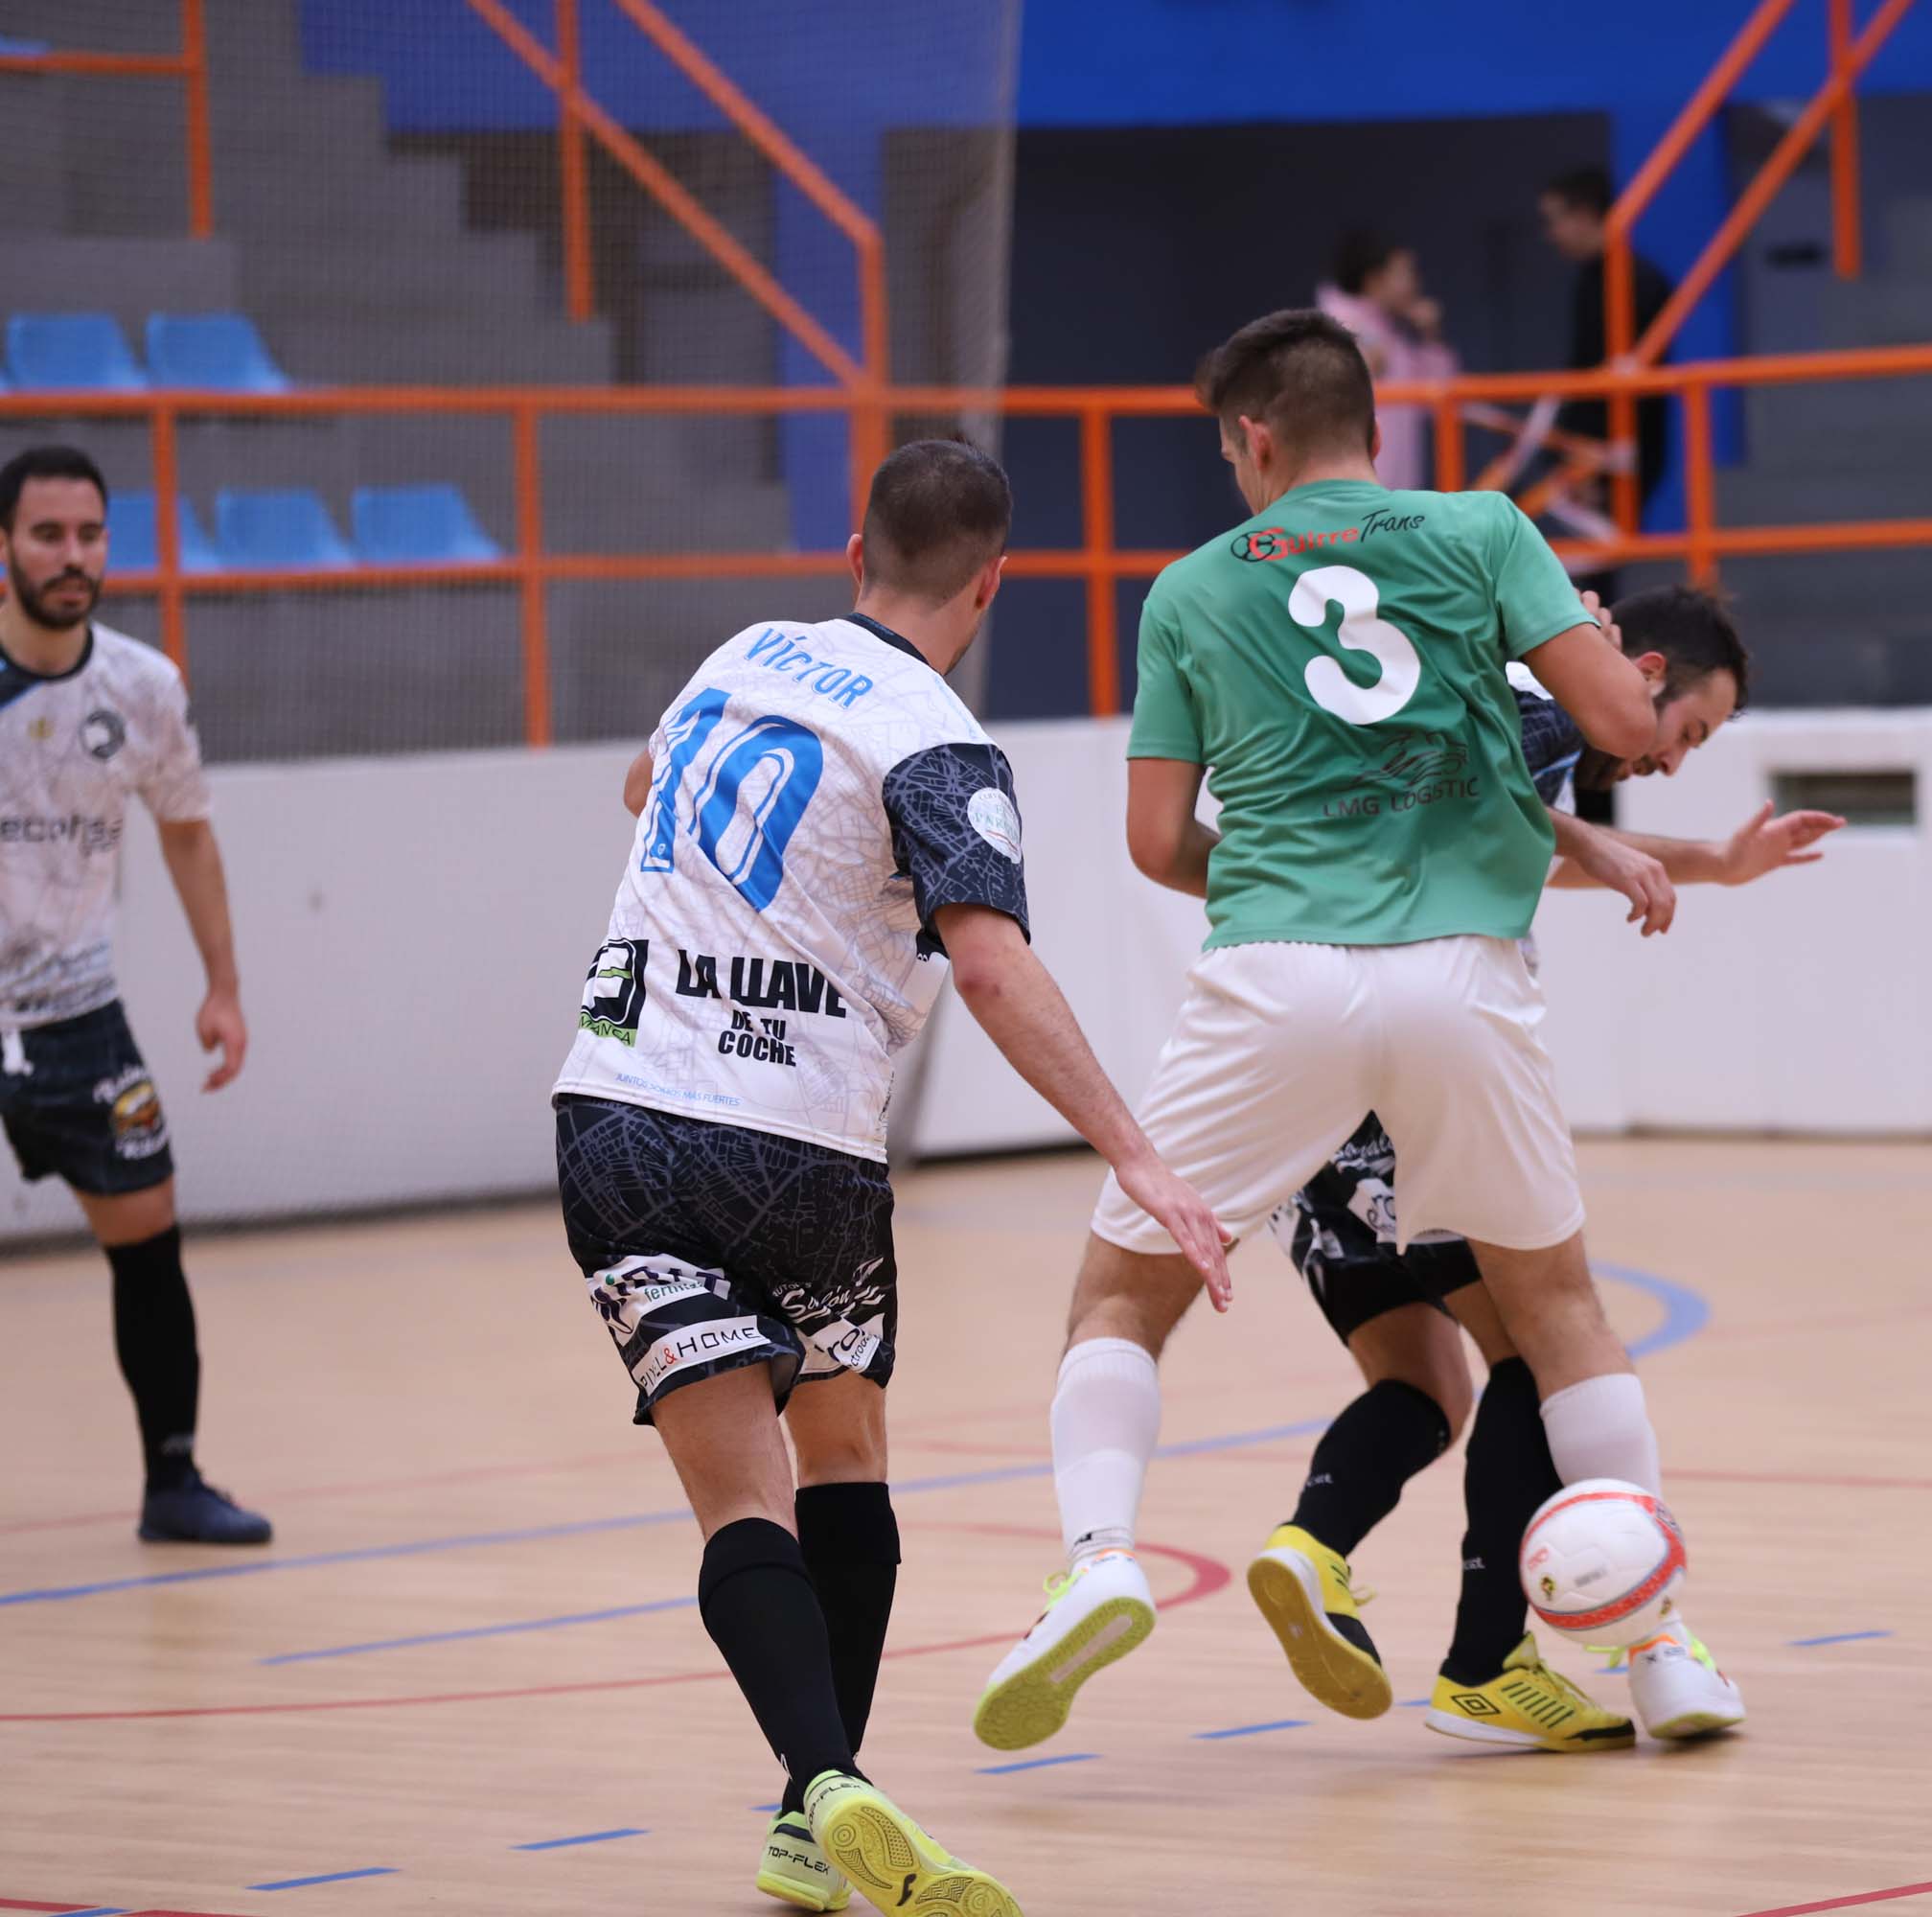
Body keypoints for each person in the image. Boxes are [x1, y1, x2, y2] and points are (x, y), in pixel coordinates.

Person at [971, 309, 1745, 1755]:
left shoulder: (1192, 589)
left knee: (1117, 1303)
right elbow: (1618, 723)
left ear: (1253, 438)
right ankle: (1658, 1652)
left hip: (1276, 970)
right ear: (1371, 426)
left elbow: (1153, 842)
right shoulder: (1484, 528)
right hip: (1462, 967)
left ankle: (1096, 1564)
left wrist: (1274, 865)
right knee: (1561, 1315)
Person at [548, 439, 1226, 1917]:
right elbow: (989, 962)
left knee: (739, 1501)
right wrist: (1138, 1151)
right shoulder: (937, 737)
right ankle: (818, 1796)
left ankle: (819, 1795)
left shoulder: (741, 653)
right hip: (796, 1145)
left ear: (856, 554)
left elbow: (642, 784)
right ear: (993, 582)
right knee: (839, 1456)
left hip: (614, 1117)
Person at [1250, 584, 1839, 1748]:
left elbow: (1505, 824)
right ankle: (1503, 1661)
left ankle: (1308, 1546)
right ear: (1646, 669)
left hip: (1292, 1076)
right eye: (1691, 731)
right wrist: (1624, 848)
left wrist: (1708, 863)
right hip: (1406, 1080)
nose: (1677, 760)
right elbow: (1490, 799)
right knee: (1545, 1349)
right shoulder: (1541, 696)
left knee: (1424, 1387)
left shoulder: (1476, 682)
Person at [0, 445, 264, 1546]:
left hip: (77, 1013)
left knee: (148, 1232)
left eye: (90, 535)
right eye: (49, 535)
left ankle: (173, 1479)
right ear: (4, 547)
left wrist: (223, 985)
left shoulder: (143, 686)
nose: (73, 557)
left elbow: (188, 832)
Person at [1540, 165, 1672, 520]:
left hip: (1616, 447)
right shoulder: (1592, 280)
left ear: (1584, 215)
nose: (1550, 235)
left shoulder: (1636, 281)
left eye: (1554, 220)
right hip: (1593, 446)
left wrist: (1595, 453)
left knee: (1597, 556)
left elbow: (1626, 377)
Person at [1317, 230, 1459, 492]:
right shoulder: (1334, 325)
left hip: (1391, 498)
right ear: (1374, 280)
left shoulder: (1392, 333)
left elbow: (1442, 397)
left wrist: (1431, 336)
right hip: (1354, 500)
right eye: (1406, 273)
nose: (1415, 283)